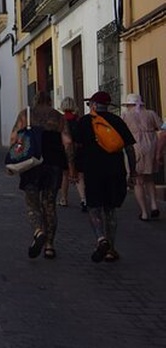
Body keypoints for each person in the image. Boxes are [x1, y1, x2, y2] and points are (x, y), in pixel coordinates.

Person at [8, 91, 75, 260]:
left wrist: (11, 162)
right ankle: (50, 246)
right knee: (49, 204)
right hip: (53, 164)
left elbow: (14, 137)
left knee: (32, 204)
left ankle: (38, 231)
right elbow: (68, 142)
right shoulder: (59, 117)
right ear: (50, 101)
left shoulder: (26, 114)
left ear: (35, 101)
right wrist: (71, 167)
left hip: (32, 163)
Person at [76, 91, 136, 263]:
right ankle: (110, 249)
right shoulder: (117, 121)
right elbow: (130, 149)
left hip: (93, 171)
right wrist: (132, 172)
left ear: (94, 105)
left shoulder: (85, 122)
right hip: (115, 170)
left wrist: (75, 168)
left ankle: (101, 238)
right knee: (110, 209)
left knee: (94, 207)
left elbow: (76, 146)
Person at [121, 93, 162, 221]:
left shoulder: (126, 115)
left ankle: (144, 212)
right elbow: (160, 127)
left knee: (138, 180)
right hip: (151, 145)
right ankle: (154, 205)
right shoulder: (151, 113)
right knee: (149, 178)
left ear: (129, 105)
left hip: (135, 147)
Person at [57, 97, 86, 212]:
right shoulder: (78, 120)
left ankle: (63, 198)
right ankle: (83, 199)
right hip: (78, 149)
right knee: (79, 175)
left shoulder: (60, 120)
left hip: (64, 150)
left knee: (64, 175)